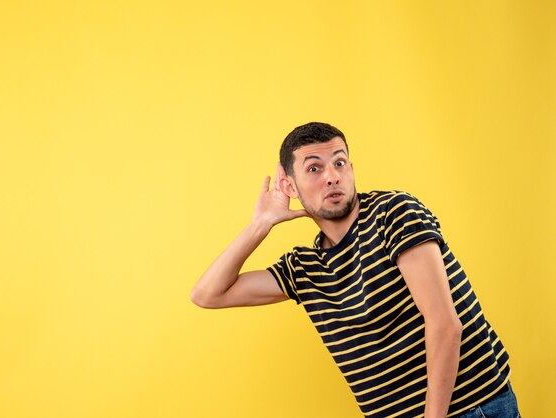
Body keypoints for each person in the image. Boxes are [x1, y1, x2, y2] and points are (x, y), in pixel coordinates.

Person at [190, 122, 520, 418]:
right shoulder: (306, 268)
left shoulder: (393, 213)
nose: (332, 175)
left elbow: (444, 324)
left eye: (339, 162)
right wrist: (260, 225)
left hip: (471, 408)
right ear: (289, 187)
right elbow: (208, 294)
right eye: (314, 168)